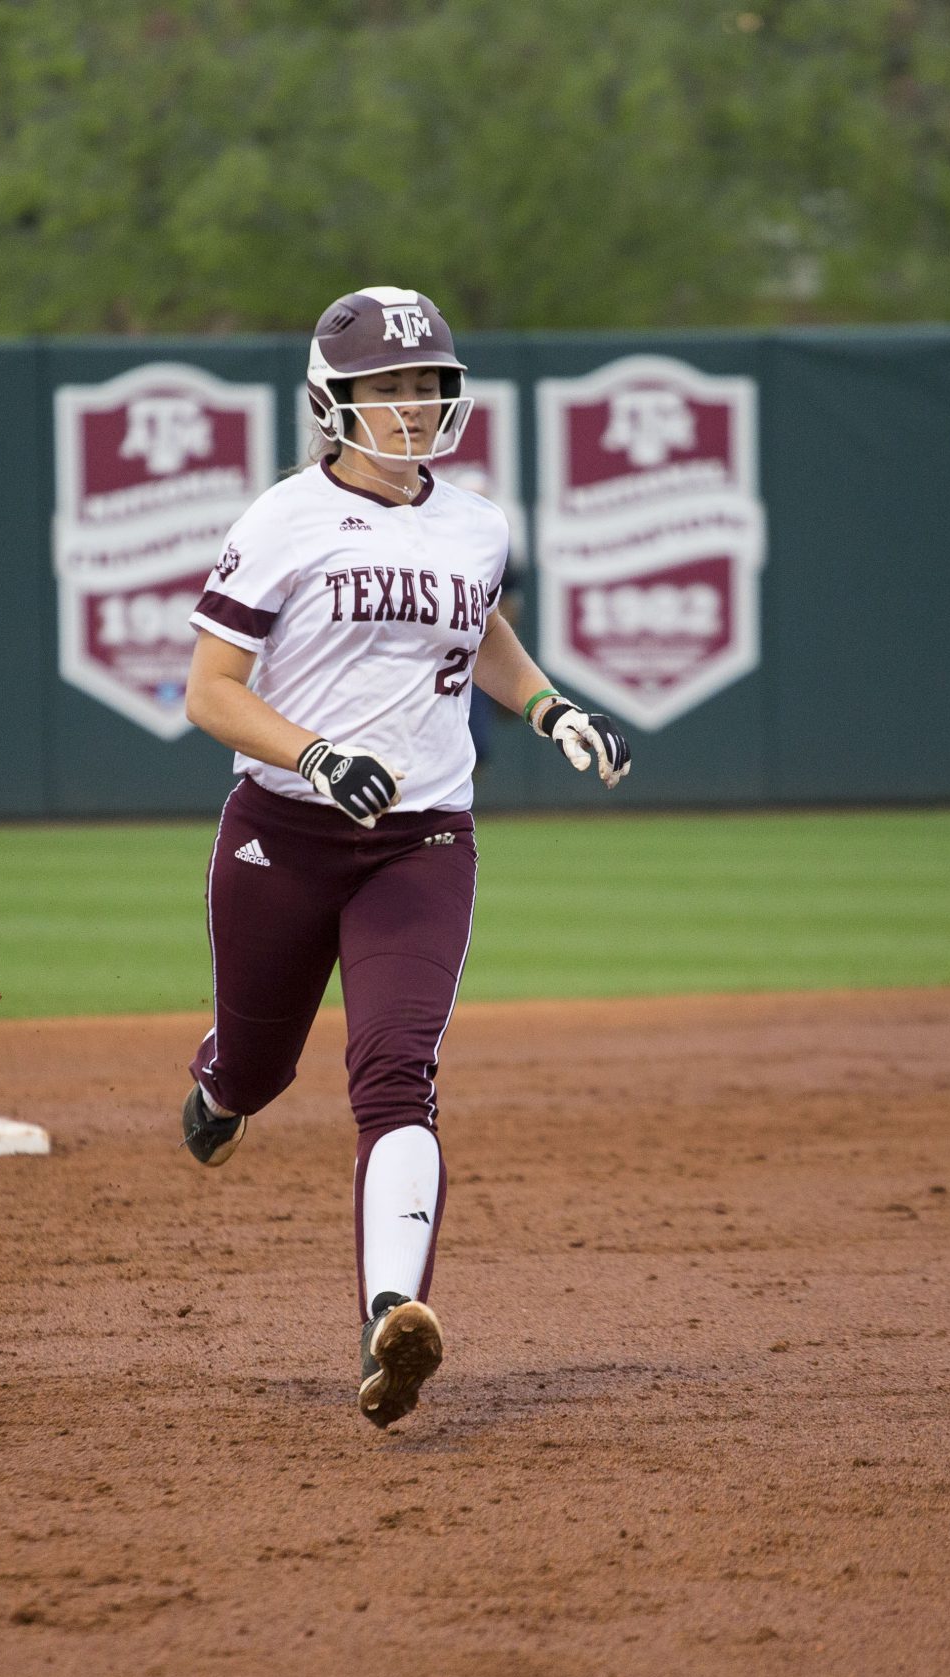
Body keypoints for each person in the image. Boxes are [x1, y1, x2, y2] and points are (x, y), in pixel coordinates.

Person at [175, 286, 633, 1428]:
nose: (414, 405)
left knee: (395, 1076)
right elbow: (209, 693)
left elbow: (481, 632)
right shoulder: (282, 519)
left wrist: (548, 709)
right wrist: (319, 757)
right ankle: (224, 1079)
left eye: (426, 383)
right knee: (258, 1073)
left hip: (422, 838)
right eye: (387, 387)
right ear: (333, 402)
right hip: (283, 833)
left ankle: (392, 1318)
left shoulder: (474, 524)